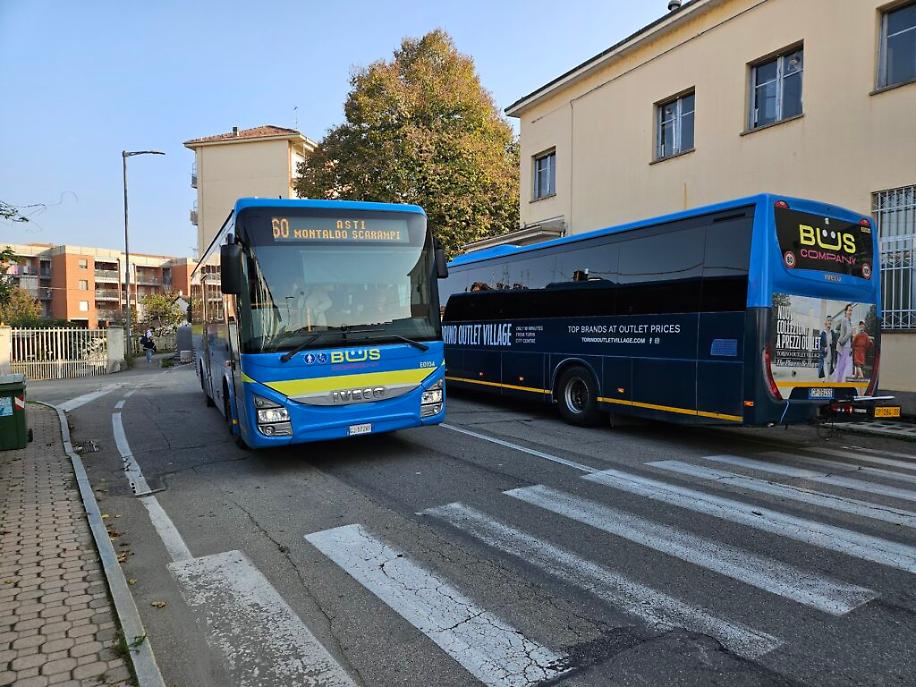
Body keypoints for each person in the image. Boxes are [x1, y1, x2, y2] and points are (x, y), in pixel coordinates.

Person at [833, 304, 854, 382]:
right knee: (841, 367)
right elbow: (845, 334)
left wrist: (851, 347)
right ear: (845, 312)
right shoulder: (844, 320)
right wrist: (849, 333)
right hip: (843, 347)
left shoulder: (849, 321)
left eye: (851, 310)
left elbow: (849, 336)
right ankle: (839, 383)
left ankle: (841, 383)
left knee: (844, 367)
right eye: (849, 310)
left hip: (847, 347)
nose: (850, 312)